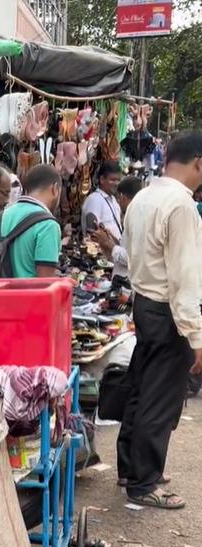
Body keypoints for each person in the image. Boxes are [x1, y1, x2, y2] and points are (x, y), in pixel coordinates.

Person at [117, 130, 202, 509]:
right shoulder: (182, 205)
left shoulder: (143, 197)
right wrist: (195, 336)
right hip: (167, 309)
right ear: (198, 163)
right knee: (160, 397)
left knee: (141, 387)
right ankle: (145, 481)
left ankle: (130, 467)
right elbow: (185, 277)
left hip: (144, 303)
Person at [0, 164, 62, 278]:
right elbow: (45, 282)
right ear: (55, 189)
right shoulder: (48, 225)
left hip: (1, 294)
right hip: (29, 295)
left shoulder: (1, 215)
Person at [91, 175, 143, 279]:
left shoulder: (137, 218)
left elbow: (132, 259)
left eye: (119, 199)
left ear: (122, 197)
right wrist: (111, 238)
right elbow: (126, 247)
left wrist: (110, 245)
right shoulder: (137, 214)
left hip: (127, 283)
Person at [81, 161, 122, 241]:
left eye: (118, 180)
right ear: (102, 179)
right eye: (113, 180)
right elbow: (92, 232)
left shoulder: (113, 200)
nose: (116, 183)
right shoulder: (94, 200)